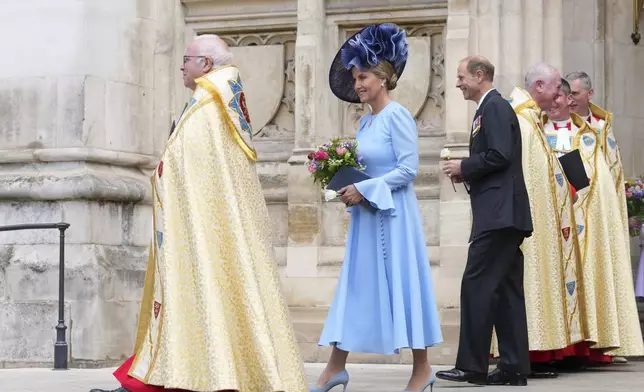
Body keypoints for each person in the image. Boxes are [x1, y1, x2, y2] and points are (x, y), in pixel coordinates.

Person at [89, 34, 307, 392]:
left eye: (187, 59)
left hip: (200, 229)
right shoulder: (213, 102)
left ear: (205, 64)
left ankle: (203, 377)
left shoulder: (211, 106)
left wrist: (164, 172)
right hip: (197, 226)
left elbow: (190, 165)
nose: (181, 66)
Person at [311, 23, 443, 392]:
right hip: (367, 219)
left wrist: (365, 189)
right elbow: (369, 167)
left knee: (404, 284)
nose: (357, 84)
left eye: (363, 76)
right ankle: (334, 368)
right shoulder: (366, 121)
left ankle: (422, 369)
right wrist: (344, 181)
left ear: (383, 78)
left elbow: (408, 169)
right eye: (354, 78)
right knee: (355, 287)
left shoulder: (397, 116)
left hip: (395, 217)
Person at [438, 55, 533, 386]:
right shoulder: (489, 108)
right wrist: (468, 171)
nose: (458, 83)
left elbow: (500, 154)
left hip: (499, 215)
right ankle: (513, 367)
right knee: (507, 291)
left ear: (480, 76)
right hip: (502, 214)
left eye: (462, 76)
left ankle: (471, 365)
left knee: (475, 285)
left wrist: (464, 166)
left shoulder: (493, 106)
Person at [539, 79, 644, 367]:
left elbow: (602, 184)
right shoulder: (535, 133)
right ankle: (553, 348)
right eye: (557, 96)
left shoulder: (588, 136)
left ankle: (588, 347)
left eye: (566, 96)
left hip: (582, 223)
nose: (562, 102)